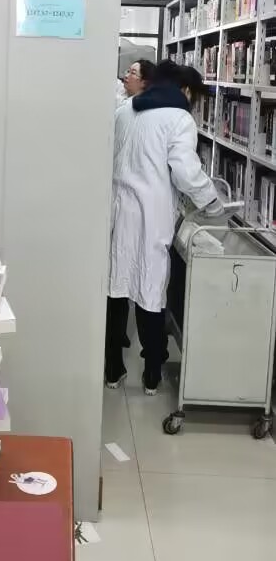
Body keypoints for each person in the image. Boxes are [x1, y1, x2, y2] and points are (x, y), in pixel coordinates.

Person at [106, 60, 222, 392]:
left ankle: (112, 371)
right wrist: (212, 203)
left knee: (116, 290)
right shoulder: (179, 119)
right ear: (184, 90)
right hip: (152, 217)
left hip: (119, 212)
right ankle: (152, 374)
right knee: (151, 293)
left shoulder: (125, 110)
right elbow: (185, 172)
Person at [113, 59, 156, 348]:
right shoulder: (123, 108)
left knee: (130, 280)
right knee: (125, 280)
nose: (126, 76)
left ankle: (123, 343)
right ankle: (120, 341)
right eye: (127, 71)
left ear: (145, 82)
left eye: (132, 72)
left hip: (136, 205)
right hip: (125, 203)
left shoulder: (148, 115)